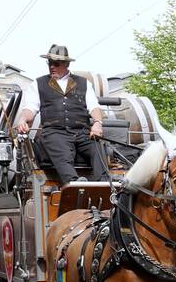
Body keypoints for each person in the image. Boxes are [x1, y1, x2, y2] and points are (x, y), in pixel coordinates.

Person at [14, 44, 108, 186]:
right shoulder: (38, 84)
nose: (52, 67)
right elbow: (30, 109)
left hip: (82, 133)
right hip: (55, 132)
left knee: (98, 148)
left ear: (67, 64)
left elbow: (94, 106)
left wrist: (97, 123)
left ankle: (104, 185)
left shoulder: (83, 83)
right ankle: (74, 184)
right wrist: (22, 120)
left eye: (56, 64)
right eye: (50, 63)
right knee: (61, 151)